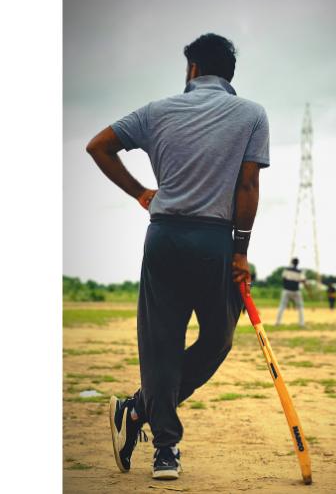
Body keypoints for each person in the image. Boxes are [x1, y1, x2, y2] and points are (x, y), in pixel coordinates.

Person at [86, 33, 270, 480]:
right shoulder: (253, 113)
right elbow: (248, 186)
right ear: (229, 74)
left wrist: (140, 193)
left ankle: (139, 414)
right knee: (216, 340)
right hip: (214, 240)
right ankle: (162, 444)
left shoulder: (156, 110)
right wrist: (241, 251)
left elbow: (98, 146)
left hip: (166, 236)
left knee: (162, 346)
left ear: (192, 69)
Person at [275, 258, 306, 327]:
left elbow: (283, 278)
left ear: (292, 262)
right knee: (300, 307)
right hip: (296, 290)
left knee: (282, 306)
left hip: (286, 290)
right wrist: (298, 280)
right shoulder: (299, 271)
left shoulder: (287, 270)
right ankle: (301, 324)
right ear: (298, 263)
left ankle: (277, 323)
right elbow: (303, 280)